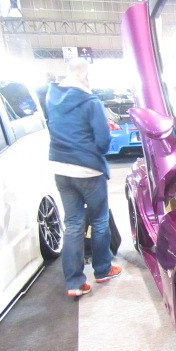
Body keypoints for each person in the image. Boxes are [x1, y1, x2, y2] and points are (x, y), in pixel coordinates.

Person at [46, 57, 122, 297]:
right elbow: (103, 141)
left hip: (61, 168)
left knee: (73, 223)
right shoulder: (91, 103)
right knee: (99, 220)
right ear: (85, 76)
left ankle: (74, 283)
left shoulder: (52, 97)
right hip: (89, 170)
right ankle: (103, 269)